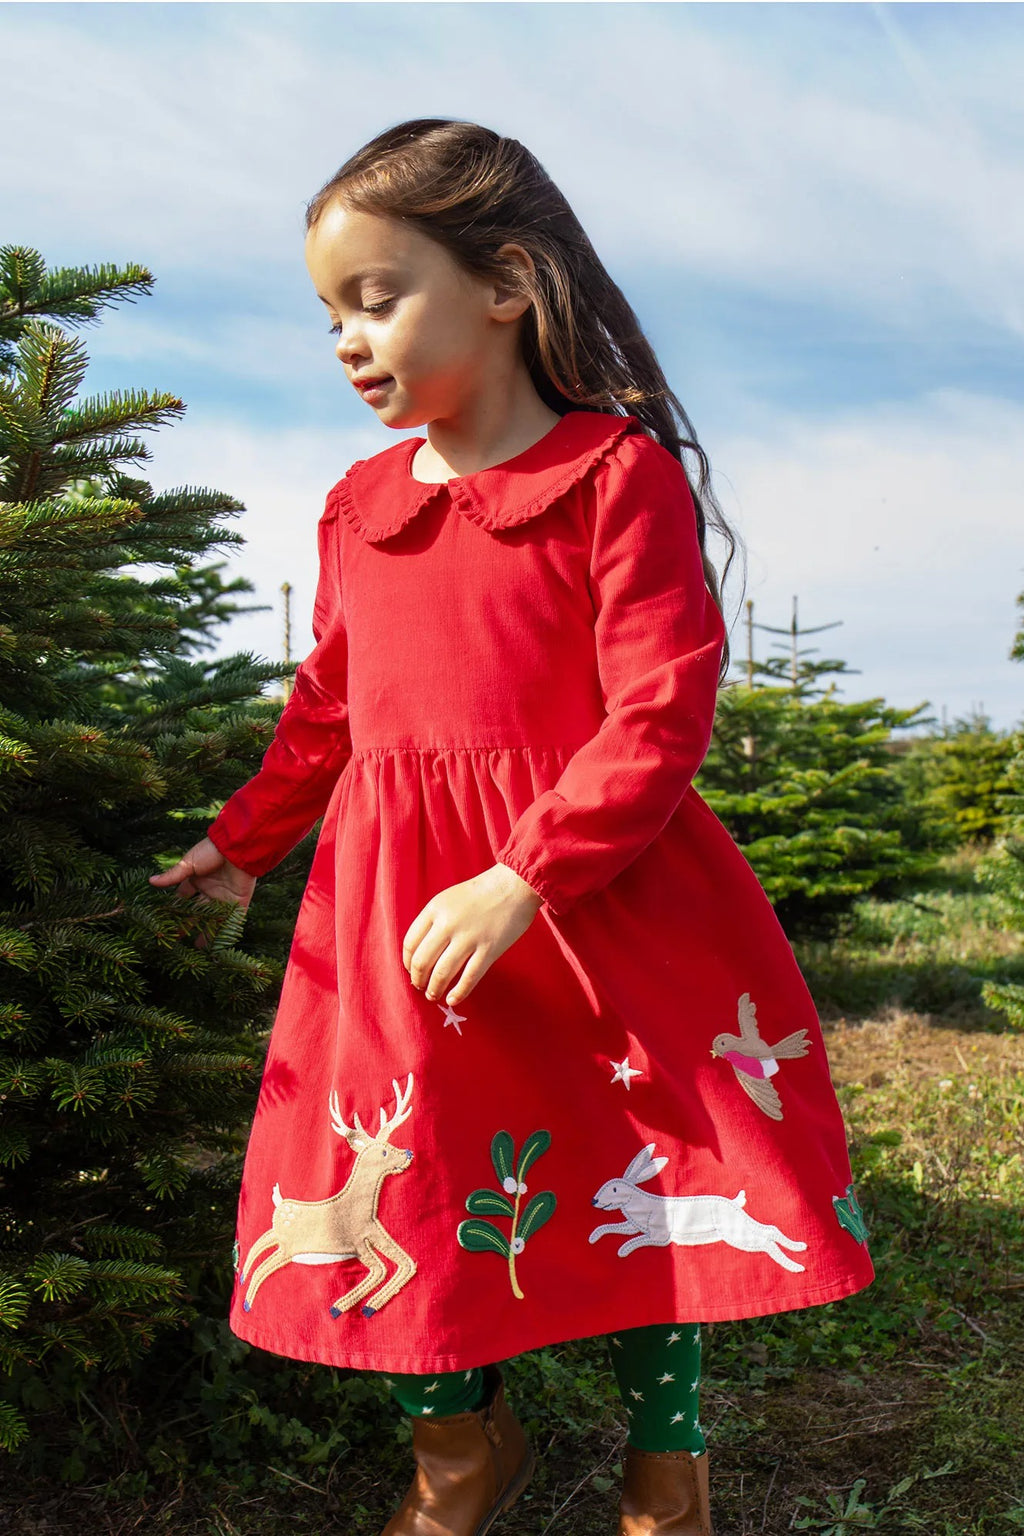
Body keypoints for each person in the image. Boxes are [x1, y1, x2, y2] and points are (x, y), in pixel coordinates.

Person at [149, 118, 874, 1536]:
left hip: (590, 897)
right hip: (398, 909)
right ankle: (460, 1454)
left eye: (377, 299)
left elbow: (660, 710)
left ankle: (669, 1465)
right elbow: (328, 709)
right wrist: (244, 842)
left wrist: (525, 874)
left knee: (641, 1163)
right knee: (404, 1169)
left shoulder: (612, 474)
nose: (347, 341)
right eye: (329, 315)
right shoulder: (359, 508)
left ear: (505, 283)